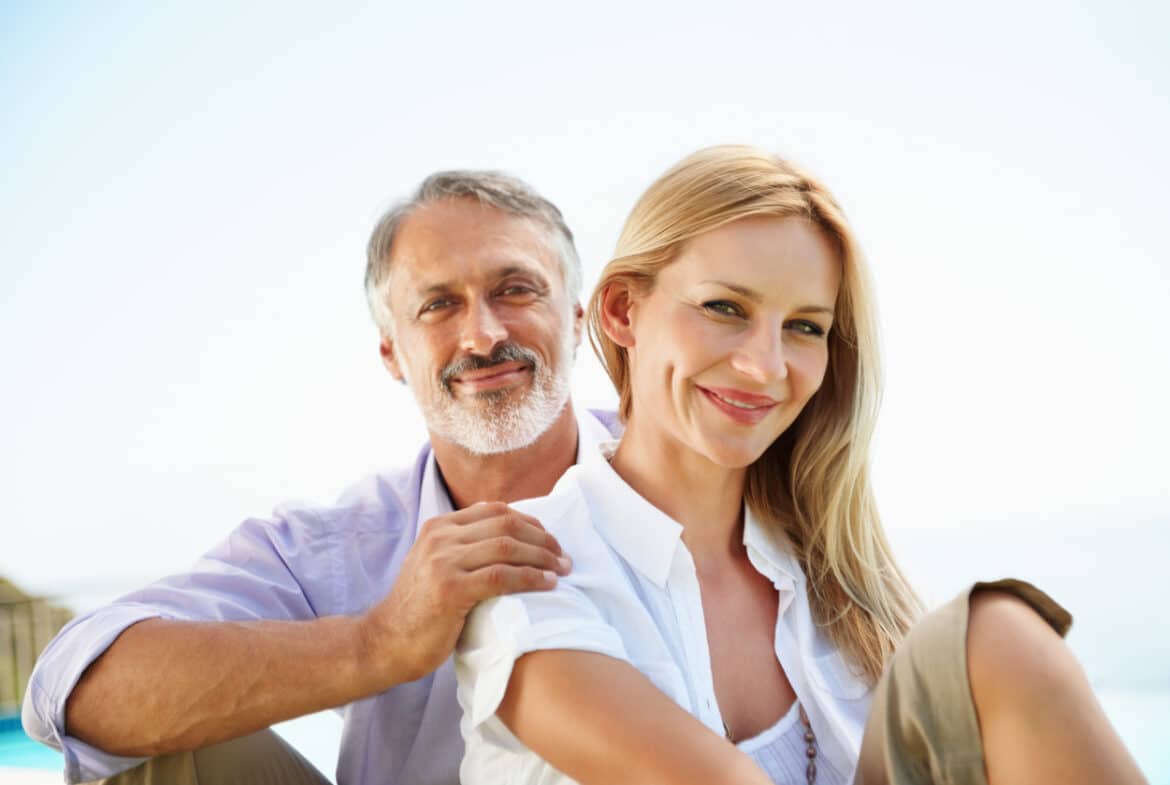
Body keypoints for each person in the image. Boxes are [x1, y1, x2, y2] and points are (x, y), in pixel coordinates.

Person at [454, 146, 1148, 785]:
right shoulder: (524, 565)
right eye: (725, 307)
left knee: (998, 637)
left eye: (804, 327)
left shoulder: (845, 582)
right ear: (621, 309)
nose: (766, 365)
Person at [22, 170, 622, 785]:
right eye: (439, 305)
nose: (482, 335)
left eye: (516, 290)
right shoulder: (339, 546)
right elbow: (76, 691)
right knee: (158, 751)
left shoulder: (687, 472)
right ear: (391, 352)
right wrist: (379, 642)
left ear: (576, 319)